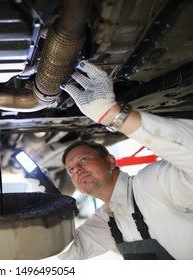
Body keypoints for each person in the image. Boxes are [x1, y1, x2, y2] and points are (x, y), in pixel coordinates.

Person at [57, 60, 193, 260]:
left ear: (111, 161)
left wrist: (114, 115)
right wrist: (44, 208)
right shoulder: (107, 219)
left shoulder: (151, 184)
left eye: (83, 159)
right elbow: (64, 253)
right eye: (70, 170)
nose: (76, 170)